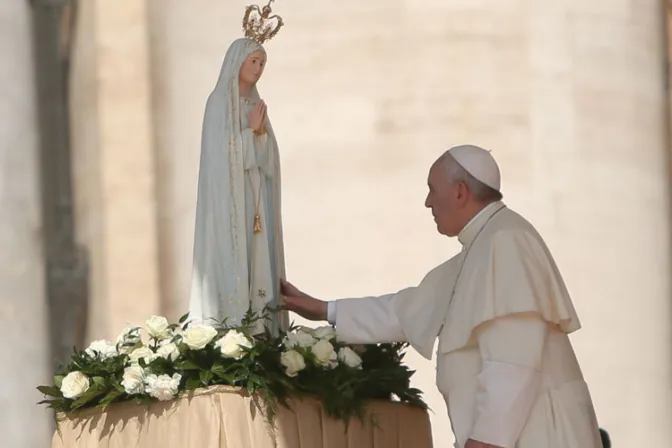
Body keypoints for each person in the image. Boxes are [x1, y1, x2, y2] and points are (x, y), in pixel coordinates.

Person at [281, 144, 603, 448]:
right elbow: (405, 310)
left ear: (460, 191)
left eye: (432, 190)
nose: (428, 202)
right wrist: (324, 309)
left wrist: (486, 440)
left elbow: (513, 360)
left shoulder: (506, 240)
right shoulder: (483, 246)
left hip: (533, 436)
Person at [189, 4, 288, 336]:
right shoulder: (218, 103)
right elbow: (219, 158)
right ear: (237, 63)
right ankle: (231, 330)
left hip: (256, 198)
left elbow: (269, 158)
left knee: (259, 260)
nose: (259, 69)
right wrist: (250, 133)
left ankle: (262, 327)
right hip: (230, 203)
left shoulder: (255, 106)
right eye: (254, 61)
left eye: (262, 63)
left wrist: (259, 134)